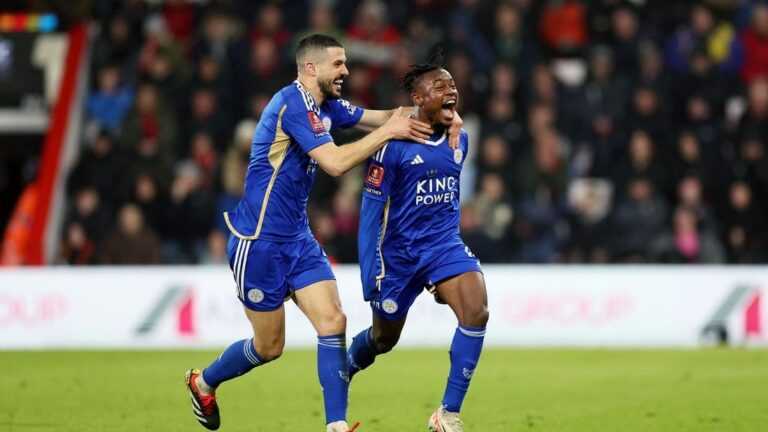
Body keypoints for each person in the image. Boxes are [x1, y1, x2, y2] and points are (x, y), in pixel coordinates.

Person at [184, 34, 440, 432]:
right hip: (259, 243)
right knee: (269, 347)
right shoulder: (292, 104)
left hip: (298, 241)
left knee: (333, 320)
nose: (346, 71)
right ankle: (204, 382)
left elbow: (385, 115)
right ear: (310, 68)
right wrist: (390, 133)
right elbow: (336, 162)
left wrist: (434, 108)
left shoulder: (327, 107)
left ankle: (335, 426)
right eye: (338, 64)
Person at [347, 61, 489, 432]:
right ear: (418, 98)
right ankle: (347, 365)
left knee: (476, 310)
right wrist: (368, 271)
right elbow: (371, 212)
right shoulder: (392, 146)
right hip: (400, 256)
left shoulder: (461, 138)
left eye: (453, 84)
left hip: (444, 246)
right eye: (440, 86)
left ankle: (447, 413)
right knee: (383, 339)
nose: (451, 91)